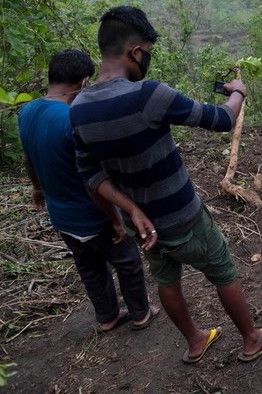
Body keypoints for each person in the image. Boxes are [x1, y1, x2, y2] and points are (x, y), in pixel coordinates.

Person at [70, 5, 262, 364]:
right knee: (222, 269)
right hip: (184, 216)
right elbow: (221, 119)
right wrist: (238, 92)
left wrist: (132, 211)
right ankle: (251, 338)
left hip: (144, 225)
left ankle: (196, 341)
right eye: (147, 54)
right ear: (135, 52)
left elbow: (91, 175)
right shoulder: (149, 95)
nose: (146, 61)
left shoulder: (78, 108)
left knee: (167, 279)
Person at [18, 49, 160, 333]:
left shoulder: (27, 112)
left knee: (90, 268)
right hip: (92, 215)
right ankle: (141, 313)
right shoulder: (72, 119)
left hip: (62, 217)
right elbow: (91, 179)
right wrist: (117, 220)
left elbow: (28, 159)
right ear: (84, 82)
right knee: (127, 261)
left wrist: (37, 189)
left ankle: (107, 317)